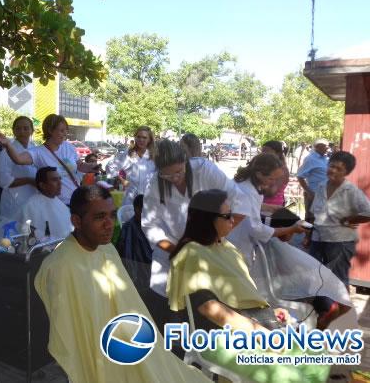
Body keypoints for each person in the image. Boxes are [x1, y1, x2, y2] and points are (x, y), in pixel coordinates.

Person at [34, 186, 208, 383]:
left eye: (112, 215)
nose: (110, 224)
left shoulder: (107, 249)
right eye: (100, 217)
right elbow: (70, 334)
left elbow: (128, 303)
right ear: (76, 221)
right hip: (96, 353)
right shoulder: (60, 266)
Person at [167, 190, 330, 383]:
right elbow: (209, 308)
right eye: (227, 216)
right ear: (207, 219)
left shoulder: (225, 247)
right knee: (291, 377)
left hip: (250, 322)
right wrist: (262, 335)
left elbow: (241, 292)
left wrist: (269, 312)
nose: (233, 220)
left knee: (318, 357)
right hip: (216, 336)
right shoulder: (193, 253)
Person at [227, 153, 351, 329]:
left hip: (244, 248)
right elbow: (256, 228)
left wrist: (268, 208)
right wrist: (290, 229)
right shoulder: (246, 191)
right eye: (273, 179)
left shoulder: (247, 187)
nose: (275, 184)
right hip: (237, 247)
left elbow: (250, 210)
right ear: (260, 174)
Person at [142, 139, 248, 326]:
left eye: (179, 172)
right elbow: (150, 225)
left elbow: (240, 203)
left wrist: (217, 236)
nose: (175, 178)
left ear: (186, 160)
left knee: (209, 305)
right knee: (169, 313)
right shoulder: (154, 183)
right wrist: (178, 251)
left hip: (209, 248)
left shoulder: (205, 171)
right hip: (170, 254)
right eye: (168, 176)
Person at [0, 114, 97, 205]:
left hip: (75, 199)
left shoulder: (68, 147)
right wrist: (7, 145)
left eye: (66, 130)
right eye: (61, 130)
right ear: (50, 131)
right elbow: (18, 159)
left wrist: (91, 166)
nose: (65, 133)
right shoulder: (38, 152)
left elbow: (80, 165)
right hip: (55, 203)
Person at [309, 151, 370, 288]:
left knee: (338, 280)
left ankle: (340, 308)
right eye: (331, 166)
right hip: (318, 239)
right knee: (314, 275)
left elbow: (368, 212)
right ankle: (322, 307)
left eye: (339, 169)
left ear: (346, 173)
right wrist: (308, 235)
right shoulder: (321, 186)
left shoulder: (351, 191)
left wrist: (349, 220)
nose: (333, 171)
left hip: (340, 242)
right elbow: (315, 214)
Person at [0, 116, 38, 219]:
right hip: (14, 201)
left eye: (26, 128)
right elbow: (2, 180)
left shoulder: (36, 149)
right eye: (18, 128)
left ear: (32, 131)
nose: (22, 132)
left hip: (33, 199)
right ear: (13, 131)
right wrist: (28, 180)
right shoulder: (6, 152)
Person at [106, 126, 156, 206]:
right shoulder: (128, 154)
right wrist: (121, 180)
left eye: (144, 137)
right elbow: (110, 166)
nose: (141, 140)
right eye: (138, 137)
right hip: (131, 198)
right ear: (135, 138)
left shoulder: (154, 155)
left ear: (149, 139)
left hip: (149, 199)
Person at [19, 167, 73, 240]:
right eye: (54, 180)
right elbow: (29, 233)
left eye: (60, 179)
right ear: (42, 185)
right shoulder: (32, 205)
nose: (60, 183)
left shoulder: (60, 203)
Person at [115, 194, 152, 290]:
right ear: (136, 210)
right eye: (144, 211)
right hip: (140, 273)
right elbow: (127, 257)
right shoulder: (129, 229)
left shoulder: (151, 225)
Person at [297, 138, 329, 222]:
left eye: (328, 146)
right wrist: (309, 192)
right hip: (314, 194)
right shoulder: (310, 159)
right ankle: (308, 235)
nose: (327, 148)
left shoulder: (325, 159)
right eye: (325, 146)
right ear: (317, 147)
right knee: (311, 221)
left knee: (322, 221)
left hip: (324, 194)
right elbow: (300, 176)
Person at [260, 140, 290, 210]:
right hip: (261, 206)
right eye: (262, 151)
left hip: (272, 208)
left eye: (266, 151)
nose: (263, 154)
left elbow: (271, 192)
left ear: (278, 153)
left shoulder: (282, 170)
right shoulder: (267, 167)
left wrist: (256, 185)